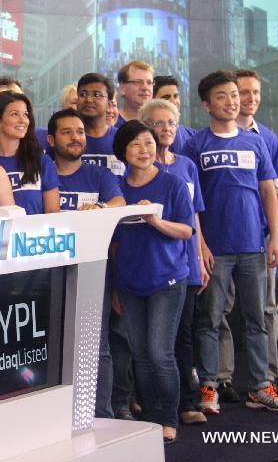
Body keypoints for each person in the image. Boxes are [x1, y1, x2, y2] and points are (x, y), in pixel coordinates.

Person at [181, 71, 278, 414]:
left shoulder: (256, 142)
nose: (231, 101)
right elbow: (190, 201)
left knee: (258, 319)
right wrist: (201, 245)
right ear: (206, 104)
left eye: (234, 95)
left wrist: (273, 237)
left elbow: (269, 191)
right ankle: (210, 386)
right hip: (216, 250)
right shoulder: (194, 145)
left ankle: (260, 387)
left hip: (253, 247)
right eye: (222, 96)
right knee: (210, 320)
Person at [112, 120, 195, 443]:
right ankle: (150, 416)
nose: (144, 150)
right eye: (135, 145)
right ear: (123, 152)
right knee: (141, 355)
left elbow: (187, 231)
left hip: (168, 279)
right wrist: (117, 286)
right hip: (130, 282)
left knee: (161, 353)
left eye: (148, 143)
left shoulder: (172, 184)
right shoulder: (118, 189)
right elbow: (115, 242)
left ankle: (167, 417)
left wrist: (155, 221)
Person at [213, 69, 278, 403]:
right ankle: (221, 378)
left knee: (264, 310)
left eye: (255, 92)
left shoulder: (267, 138)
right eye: (241, 92)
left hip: (258, 242)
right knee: (217, 312)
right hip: (221, 242)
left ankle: (265, 380)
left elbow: (275, 190)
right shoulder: (209, 137)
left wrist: (274, 236)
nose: (248, 99)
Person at [47, 108, 124, 420]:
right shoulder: (43, 174)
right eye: (67, 132)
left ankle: (102, 415)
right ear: (51, 139)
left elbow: (119, 202)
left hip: (93, 273)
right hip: (49, 275)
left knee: (98, 347)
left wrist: (100, 207)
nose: (76, 137)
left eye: (79, 131)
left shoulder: (99, 175)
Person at [140, 99, 209, 426]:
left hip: (187, 264)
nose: (165, 129)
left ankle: (187, 403)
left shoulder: (186, 166)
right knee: (151, 346)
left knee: (182, 337)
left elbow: (194, 215)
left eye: (170, 123)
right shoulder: (136, 169)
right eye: (157, 123)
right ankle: (152, 406)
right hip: (149, 267)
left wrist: (202, 251)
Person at [0, 91, 60, 215]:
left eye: (25, 114)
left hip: (36, 234)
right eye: (14, 114)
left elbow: (53, 213)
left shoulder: (41, 161)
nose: (23, 120)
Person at [76, 73, 124, 176]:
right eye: (83, 94)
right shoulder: (66, 139)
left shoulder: (122, 139)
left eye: (97, 95)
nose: (88, 100)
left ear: (109, 104)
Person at [154, 75, 196, 154]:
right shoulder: (145, 135)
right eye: (166, 97)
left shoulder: (193, 136)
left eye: (176, 96)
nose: (173, 101)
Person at [116, 61, 154, 127]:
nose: (145, 88)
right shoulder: (112, 124)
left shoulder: (158, 125)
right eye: (138, 82)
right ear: (123, 88)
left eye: (149, 83)